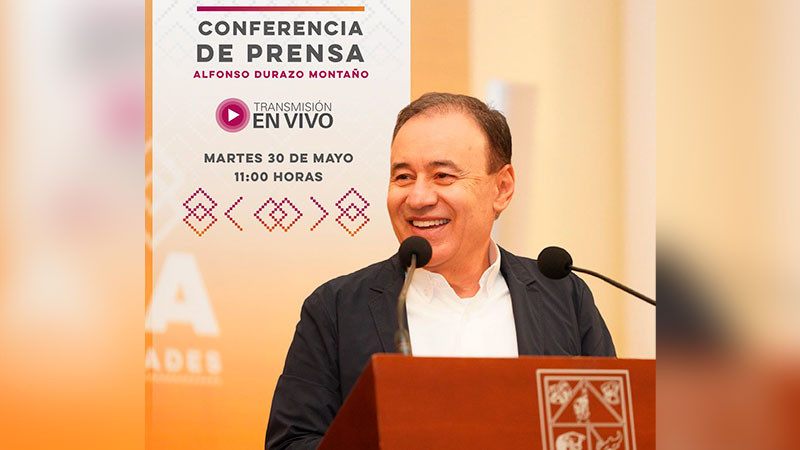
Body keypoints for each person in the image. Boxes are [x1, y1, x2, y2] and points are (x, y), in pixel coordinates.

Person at [265, 93, 615, 450]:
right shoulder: (336, 309)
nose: (418, 198)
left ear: (502, 188)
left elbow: (608, 430)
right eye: (403, 176)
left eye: (443, 176)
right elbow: (291, 442)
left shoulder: (563, 297)